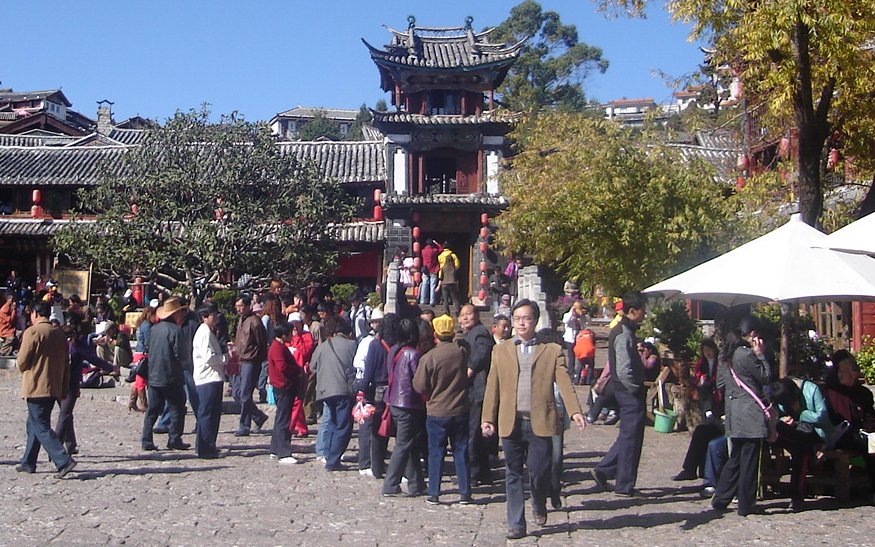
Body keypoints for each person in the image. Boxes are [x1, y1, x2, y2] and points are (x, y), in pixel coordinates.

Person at [481, 299, 585, 540]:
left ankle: (539, 501)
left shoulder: (550, 351)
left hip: (540, 422)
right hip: (511, 422)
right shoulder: (501, 350)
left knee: (539, 472)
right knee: (513, 473)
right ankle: (516, 523)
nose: (521, 323)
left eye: (526, 318)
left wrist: (575, 410)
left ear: (535, 321)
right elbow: (492, 386)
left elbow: (564, 382)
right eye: (517, 319)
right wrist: (488, 417)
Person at [710, 316, 772, 517]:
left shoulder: (727, 355)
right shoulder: (745, 355)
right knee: (750, 460)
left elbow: (720, 384)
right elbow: (765, 376)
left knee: (735, 458)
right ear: (753, 334)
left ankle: (721, 498)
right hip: (750, 413)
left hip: (734, 411)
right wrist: (760, 355)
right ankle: (746, 504)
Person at [591, 293, 647, 497]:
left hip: (626, 390)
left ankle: (604, 469)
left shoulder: (626, 330)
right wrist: (635, 387)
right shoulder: (623, 333)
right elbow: (623, 370)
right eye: (643, 310)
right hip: (628, 391)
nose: (645, 314)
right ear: (633, 311)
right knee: (631, 438)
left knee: (628, 435)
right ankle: (624, 483)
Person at [413, 314, 472, 505]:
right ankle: (465, 491)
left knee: (436, 451)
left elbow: (419, 385)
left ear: (435, 333)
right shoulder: (461, 352)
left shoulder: (429, 357)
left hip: (437, 410)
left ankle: (434, 492)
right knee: (460, 450)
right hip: (460, 408)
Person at [16, 301, 77, 478]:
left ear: (35, 313)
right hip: (53, 386)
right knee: (33, 423)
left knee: (40, 424)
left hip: (36, 385)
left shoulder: (33, 332)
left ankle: (63, 460)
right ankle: (28, 461)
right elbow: (66, 363)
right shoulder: (58, 334)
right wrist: (63, 387)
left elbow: (22, 361)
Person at [770, 377, 832, 511]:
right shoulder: (782, 394)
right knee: (798, 446)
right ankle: (796, 496)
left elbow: (823, 416)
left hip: (813, 432)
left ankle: (796, 496)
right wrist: (783, 419)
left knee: (800, 449)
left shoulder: (811, 389)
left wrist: (802, 413)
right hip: (797, 436)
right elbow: (778, 414)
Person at [382, 318, 427, 497]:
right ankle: (391, 483)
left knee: (410, 444)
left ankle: (417, 483)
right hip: (408, 404)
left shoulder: (395, 351)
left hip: (395, 401)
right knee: (403, 445)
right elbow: (418, 380)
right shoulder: (413, 354)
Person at [823, 350, 875, 496]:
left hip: (862, 433)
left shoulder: (864, 393)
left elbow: (870, 415)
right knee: (869, 445)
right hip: (842, 436)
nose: (840, 374)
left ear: (854, 373)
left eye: (844, 371)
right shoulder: (833, 392)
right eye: (839, 371)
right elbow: (836, 419)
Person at [141, 297, 190, 451]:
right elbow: (181, 355)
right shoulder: (176, 331)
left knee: (153, 410)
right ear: (176, 314)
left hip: (154, 375)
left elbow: (148, 348)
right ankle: (174, 438)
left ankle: (146, 439)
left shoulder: (154, 329)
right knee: (177, 408)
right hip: (171, 376)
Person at [58, 325, 113, 455]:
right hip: (69, 385)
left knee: (66, 414)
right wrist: (111, 367)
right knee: (65, 414)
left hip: (58, 383)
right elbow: (93, 359)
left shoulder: (58, 347)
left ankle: (70, 444)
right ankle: (56, 447)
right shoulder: (75, 348)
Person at [311, 317, 357, 471]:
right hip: (343, 389)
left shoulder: (323, 346)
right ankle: (333, 459)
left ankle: (327, 452)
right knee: (343, 425)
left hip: (324, 390)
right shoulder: (352, 345)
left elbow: (313, 367)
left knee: (331, 421)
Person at [458, 303, 496, 486]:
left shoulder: (480, 332)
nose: (465, 318)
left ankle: (474, 473)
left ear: (477, 316)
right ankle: (483, 471)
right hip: (473, 390)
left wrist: (470, 368)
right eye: (462, 315)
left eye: (469, 314)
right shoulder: (468, 334)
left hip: (478, 390)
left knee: (473, 433)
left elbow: (482, 352)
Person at [192, 303, 227, 459]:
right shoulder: (204, 333)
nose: (215, 318)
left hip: (211, 378)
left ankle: (205, 445)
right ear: (204, 317)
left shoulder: (209, 332)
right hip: (208, 378)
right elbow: (209, 357)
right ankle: (206, 448)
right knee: (208, 414)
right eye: (212, 315)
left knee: (209, 414)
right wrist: (225, 358)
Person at [233, 295, 269, 437]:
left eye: (241, 306)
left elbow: (262, 342)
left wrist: (259, 360)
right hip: (240, 360)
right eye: (237, 306)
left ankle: (244, 425)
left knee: (245, 394)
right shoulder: (241, 320)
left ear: (248, 306)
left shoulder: (255, 322)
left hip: (251, 361)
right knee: (237, 393)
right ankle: (258, 416)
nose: (239, 309)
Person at [268, 322, 301, 464]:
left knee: (280, 418)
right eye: (289, 333)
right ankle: (283, 451)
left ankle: (275, 449)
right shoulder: (277, 348)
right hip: (283, 387)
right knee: (283, 420)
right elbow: (282, 367)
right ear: (283, 335)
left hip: (283, 386)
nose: (291, 336)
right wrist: (297, 370)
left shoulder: (279, 346)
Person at [691, 339, 722, 421]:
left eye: (709, 350)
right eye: (705, 350)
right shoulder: (702, 362)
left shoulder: (720, 360)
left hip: (717, 387)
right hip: (705, 389)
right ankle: (707, 410)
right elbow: (697, 375)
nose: (707, 352)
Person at [562, 301, 585, 384]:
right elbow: (565, 321)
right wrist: (572, 312)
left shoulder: (580, 317)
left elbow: (586, 324)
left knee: (580, 356)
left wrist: (584, 315)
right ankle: (571, 373)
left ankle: (579, 372)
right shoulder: (568, 315)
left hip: (579, 338)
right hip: (570, 339)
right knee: (571, 357)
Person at [436, 242, 461, 317]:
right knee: (455, 297)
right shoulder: (453, 255)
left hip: (444, 282)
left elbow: (440, 271)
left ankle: (446, 312)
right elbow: (457, 265)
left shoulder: (440, 256)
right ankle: (457, 310)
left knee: (445, 298)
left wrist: (439, 282)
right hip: (452, 281)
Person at [420, 240, 440, 307]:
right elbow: (441, 249)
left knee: (424, 284)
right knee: (433, 285)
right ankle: (432, 301)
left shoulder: (423, 251)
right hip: (433, 269)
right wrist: (436, 243)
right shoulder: (434, 250)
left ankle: (422, 300)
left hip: (425, 269)